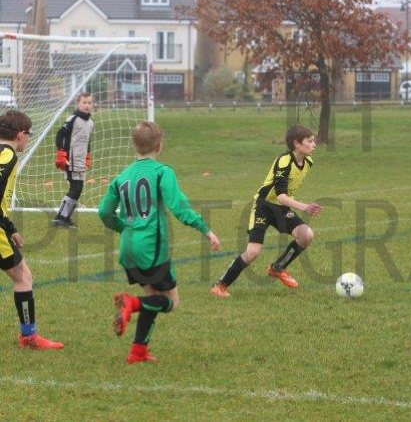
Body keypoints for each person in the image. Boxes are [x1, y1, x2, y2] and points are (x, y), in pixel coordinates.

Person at [98, 121, 221, 364]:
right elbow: (179, 207)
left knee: (152, 298)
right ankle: (130, 303)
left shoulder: (122, 176)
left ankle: (138, 351)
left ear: (134, 145)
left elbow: (104, 212)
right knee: (171, 302)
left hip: (128, 249)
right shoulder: (162, 172)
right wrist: (205, 229)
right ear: (159, 145)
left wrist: (123, 228)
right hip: (151, 249)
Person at [210, 125, 323, 298]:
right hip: (264, 207)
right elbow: (281, 196)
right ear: (297, 144)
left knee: (306, 235)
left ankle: (278, 268)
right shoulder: (284, 161)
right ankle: (220, 285)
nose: (314, 144)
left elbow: (284, 198)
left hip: (282, 209)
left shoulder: (308, 162)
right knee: (253, 251)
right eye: (309, 141)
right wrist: (304, 207)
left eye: (314, 141)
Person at [0, 110, 64, 350]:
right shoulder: (7, 156)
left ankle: (29, 336)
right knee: (23, 277)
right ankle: (29, 337)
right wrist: (8, 227)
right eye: (28, 134)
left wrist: (10, 229)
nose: (28, 139)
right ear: (20, 134)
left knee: (23, 275)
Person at [52, 92, 95, 228]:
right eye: (84, 102)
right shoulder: (72, 119)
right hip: (70, 160)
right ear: (78, 104)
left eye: (89, 102)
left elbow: (87, 142)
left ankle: (64, 218)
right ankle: (60, 218)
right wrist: (61, 152)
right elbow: (60, 135)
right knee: (75, 187)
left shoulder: (91, 123)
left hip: (81, 161)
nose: (87, 105)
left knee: (78, 189)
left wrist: (87, 156)